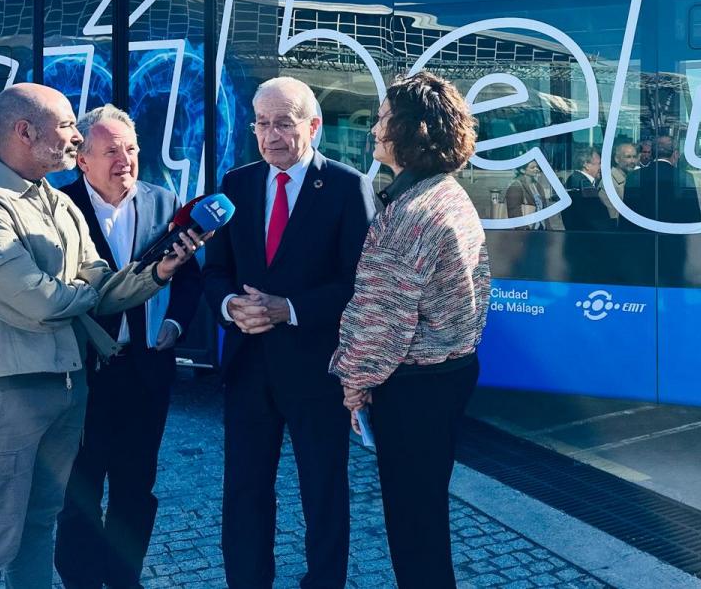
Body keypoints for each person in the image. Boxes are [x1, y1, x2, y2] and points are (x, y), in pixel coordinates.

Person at [0, 83, 200, 589]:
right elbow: (42, 303)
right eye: (68, 125)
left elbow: (102, 287)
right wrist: (85, 292)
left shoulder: (57, 204)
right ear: (25, 132)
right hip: (0, 399)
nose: (76, 137)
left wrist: (158, 273)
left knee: (37, 529)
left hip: (64, 390)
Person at [202, 76, 376, 589]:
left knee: (323, 492)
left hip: (316, 370)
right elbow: (216, 271)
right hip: (248, 367)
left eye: (283, 123)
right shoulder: (236, 184)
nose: (271, 135)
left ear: (313, 126)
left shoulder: (346, 187)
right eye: (261, 124)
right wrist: (231, 305)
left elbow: (359, 283)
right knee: (244, 491)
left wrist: (290, 309)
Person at [332, 71, 490, 589]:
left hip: (414, 385)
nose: (374, 129)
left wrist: (354, 383)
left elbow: (380, 319)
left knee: (413, 525)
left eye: (382, 118)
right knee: (426, 516)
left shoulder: (410, 214)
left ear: (410, 130)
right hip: (450, 372)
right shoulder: (450, 195)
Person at [54, 105, 202, 589]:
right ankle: (81, 581)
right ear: (83, 159)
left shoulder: (164, 202)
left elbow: (190, 279)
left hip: (145, 372)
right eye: (112, 151)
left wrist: (176, 324)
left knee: (136, 490)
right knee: (80, 490)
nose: (125, 160)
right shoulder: (59, 208)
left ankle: (124, 579)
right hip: (84, 375)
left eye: (132, 149)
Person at [623, 135, 701, 225]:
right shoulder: (685, 177)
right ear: (675, 154)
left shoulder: (634, 176)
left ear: (652, 154)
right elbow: (694, 217)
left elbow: (627, 214)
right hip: (675, 232)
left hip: (642, 232)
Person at [560, 146, 611, 231]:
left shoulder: (576, 180)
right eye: (599, 163)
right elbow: (594, 216)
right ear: (586, 165)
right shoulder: (583, 184)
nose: (601, 167)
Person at [504, 159, 552, 229]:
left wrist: (548, 228)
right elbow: (514, 211)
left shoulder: (538, 186)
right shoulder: (516, 186)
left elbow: (544, 209)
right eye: (532, 167)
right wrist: (523, 229)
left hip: (541, 228)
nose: (536, 169)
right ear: (522, 170)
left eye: (537, 167)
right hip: (527, 229)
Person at [601, 140, 638, 224]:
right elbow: (613, 217)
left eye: (634, 157)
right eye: (628, 157)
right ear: (617, 159)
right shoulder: (609, 183)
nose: (633, 161)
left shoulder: (632, 179)